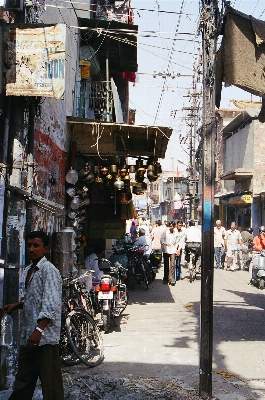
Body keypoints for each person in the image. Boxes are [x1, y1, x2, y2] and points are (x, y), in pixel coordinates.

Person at [1, 231, 64, 400]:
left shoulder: (49, 271)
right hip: (29, 337)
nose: (31, 249)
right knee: (23, 381)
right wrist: (17, 305)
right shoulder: (29, 269)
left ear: (45, 249)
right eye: (29, 245)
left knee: (51, 385)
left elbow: (50, 304)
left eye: (36, 245)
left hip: (44, 339)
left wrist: (39, 330)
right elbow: (35, 299)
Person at [160, 221, 177, 285]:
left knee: (172, 265)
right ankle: (165, 278)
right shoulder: (165, 232)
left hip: (173, 250)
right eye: (170, 226)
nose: (171, 228)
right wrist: (165, 244)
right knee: (166, 265)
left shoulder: (176, 233)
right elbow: (161, 239)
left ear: (174, 227)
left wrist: (177, 249)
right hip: (166, 250)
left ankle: (171, 279)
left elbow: (177, 242)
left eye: (172, 226)